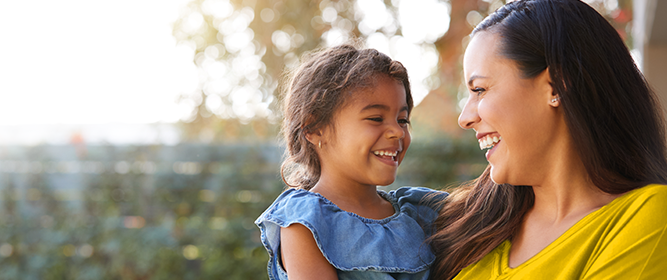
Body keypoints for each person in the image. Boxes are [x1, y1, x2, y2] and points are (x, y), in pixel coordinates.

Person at [428, 0, 667, 279]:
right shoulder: (464, 222)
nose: (465, 118)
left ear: (556, 85)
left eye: (479, 89)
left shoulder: (647, 217)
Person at [255, 44, 446, 280]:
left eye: (403, 120)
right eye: (376, 118)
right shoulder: (305, 223)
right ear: (314, 129)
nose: (397, 132)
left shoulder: (421, 210)